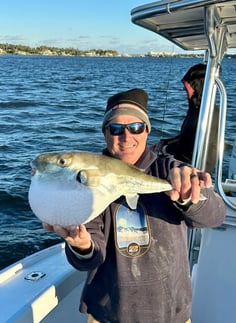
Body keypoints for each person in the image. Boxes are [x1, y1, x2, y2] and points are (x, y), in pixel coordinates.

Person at [44, 88, 225, 323]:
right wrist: (81, 245)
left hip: (171, 313)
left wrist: (188, 196)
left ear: (147, 131)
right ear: (105, 133)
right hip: (109, 314)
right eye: (116, 129)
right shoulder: (88, 183)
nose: (126, 137)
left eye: (136, 127)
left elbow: (215, 216)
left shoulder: (168, 169)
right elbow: (89, 258)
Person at [152, 63, 218, 173]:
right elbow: (185, 137)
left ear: (198, 86)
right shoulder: (196, 108)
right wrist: (165, 142)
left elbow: (190, 147)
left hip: (193, 171)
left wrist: (165, 149)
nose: (184, 89)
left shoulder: (208, 113)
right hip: (182, 165)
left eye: (188, 86)